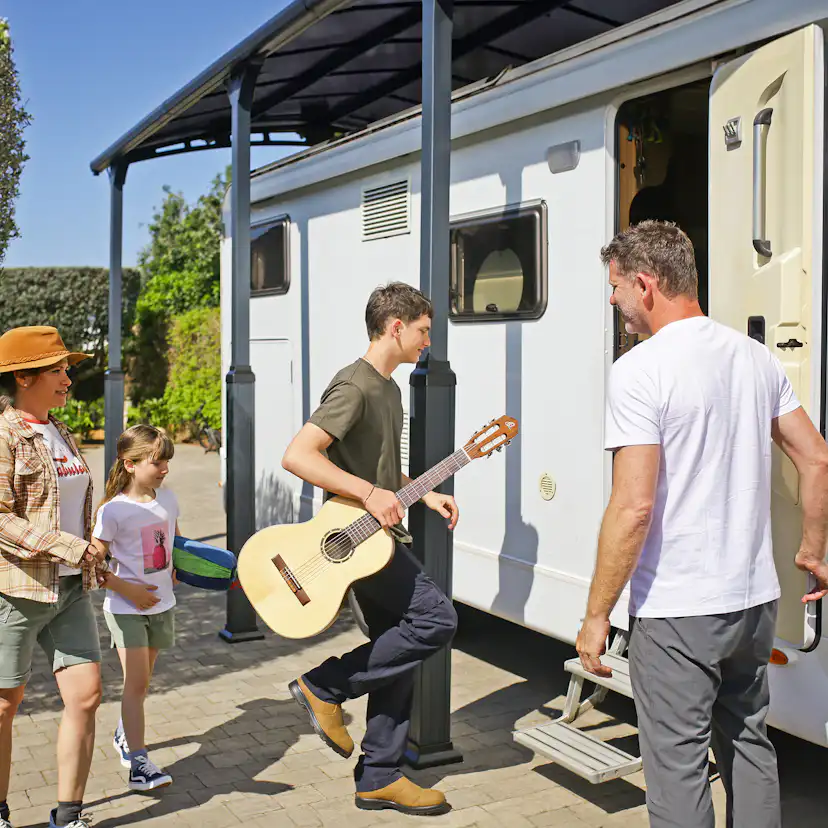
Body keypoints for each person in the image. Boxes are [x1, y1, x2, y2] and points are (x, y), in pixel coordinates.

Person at [575, 221, 828, 828]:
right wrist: (814, 549)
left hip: (678, 608)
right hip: (753, 601)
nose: (613, 301)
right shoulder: (753, 356)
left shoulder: (639, 370)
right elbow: (816, 457)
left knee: (677, 764)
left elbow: (632, 508)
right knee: (748, 742)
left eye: (616, 288)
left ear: (646, 283)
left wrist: (594, 615)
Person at [281, 282, 459, 816]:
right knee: (435, 621)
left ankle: (379, 775)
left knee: (396, 649)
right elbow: (298, 455)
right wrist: (369, 493)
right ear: (396, 326)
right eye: (424, 331)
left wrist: (422, 494)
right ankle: (324, 685)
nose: (428, 342)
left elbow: (377, 470)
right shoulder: (354, 386)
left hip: (381, 537)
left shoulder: (390, 388)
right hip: (356, 542)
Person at [0, 326, 111, 828]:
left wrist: (93, 543)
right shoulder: (4, 434)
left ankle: (67, 815)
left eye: (67, 368)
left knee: (86, 695)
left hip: (70, 588)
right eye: (58, 369)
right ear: (24, 377)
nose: (69, 377)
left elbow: (65, 505)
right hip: (18, 590)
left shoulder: (59, 431)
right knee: (4, 706)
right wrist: (71, 545)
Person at [90, 424, 179, 792]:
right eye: (157, 462)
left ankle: (125, 733)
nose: (165, 469)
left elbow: (174, 540)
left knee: (141, 686)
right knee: (136, 683)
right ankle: (139, 763)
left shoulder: (169, 499)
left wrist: (178, 570)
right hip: (125, 608)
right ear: (129, 464)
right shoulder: (113, 511)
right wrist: (127, 589)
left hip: (163, 606)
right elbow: (94, 565)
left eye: (166, 461)